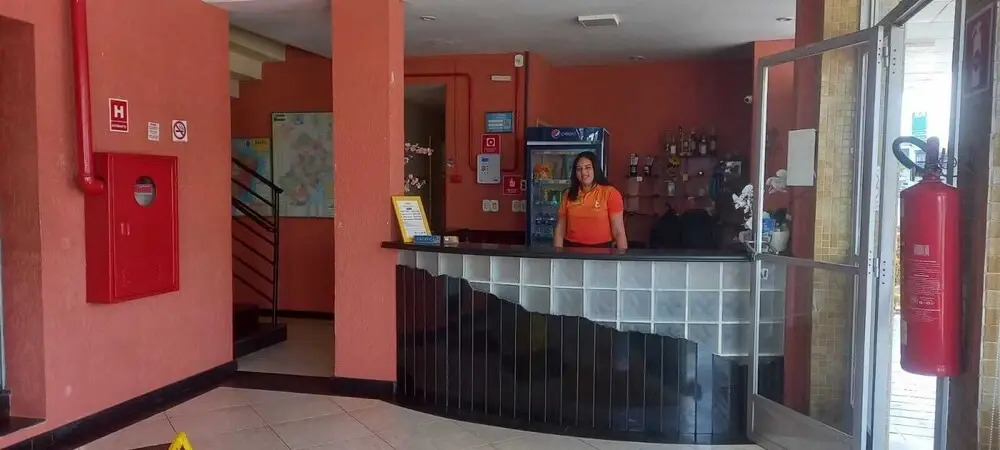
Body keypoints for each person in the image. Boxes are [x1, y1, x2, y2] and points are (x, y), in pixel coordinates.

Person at [553, 151, 628, 249]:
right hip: (571, 249)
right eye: (579, 169)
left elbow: (619, 232)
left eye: (588, 168)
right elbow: (560, 229)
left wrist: (622, 256)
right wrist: (557, 253)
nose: (583, 172)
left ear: (595, 169)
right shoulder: (568, 194)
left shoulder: (610, 193)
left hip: (602, 250)